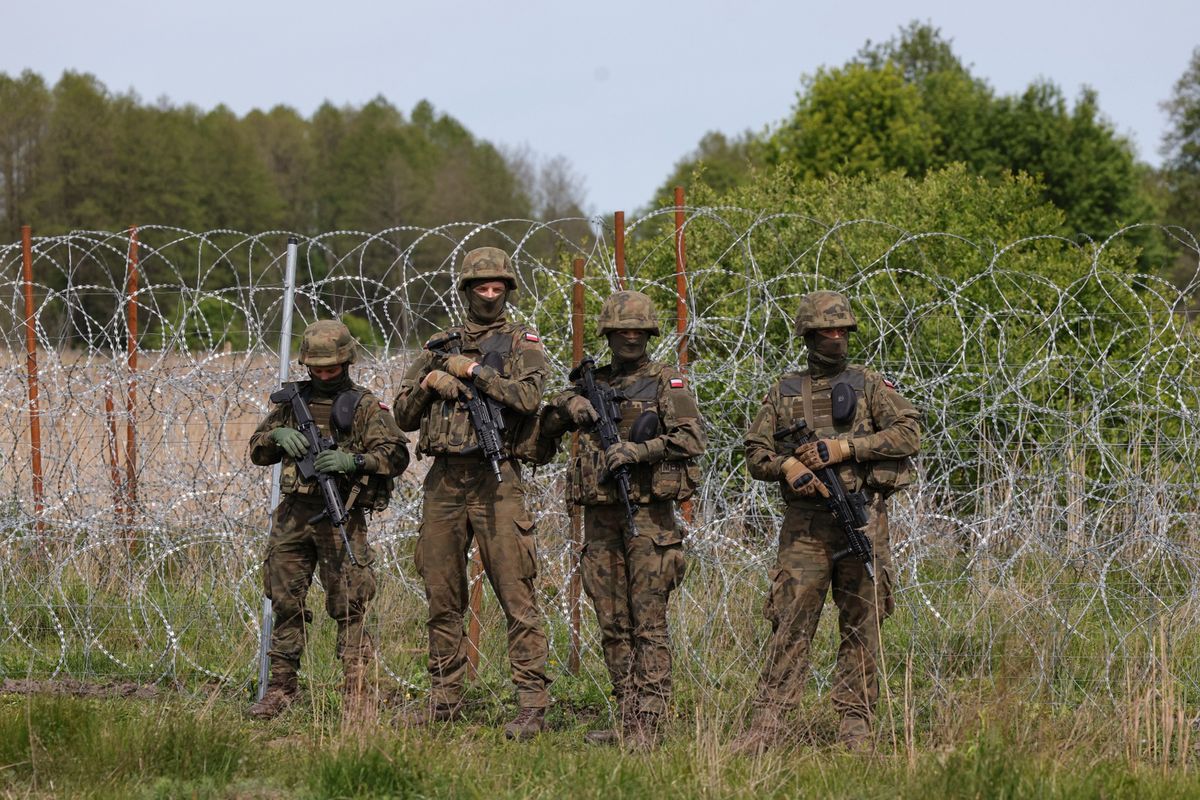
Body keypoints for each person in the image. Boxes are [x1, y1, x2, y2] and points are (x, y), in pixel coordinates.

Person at [732, 290, 920, 754]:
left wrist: (846, 449)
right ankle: (769, 726)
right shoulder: (784, 390)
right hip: (806, 528)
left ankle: (856, 727)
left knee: (862, 624)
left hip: (862, 521)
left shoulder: (870, 384)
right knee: (791, 622)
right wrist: (788, 468)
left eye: (842, 331)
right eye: (827, 332)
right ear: (809, 336)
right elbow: (755, 453)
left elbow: (910, 433)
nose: (836, 339)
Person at [392, 246, 552, 740]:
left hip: (496, 479)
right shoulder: (439, 344)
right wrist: (432, 381)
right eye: (480, 286)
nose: (489, 293)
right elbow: (401, 415)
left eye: (496, 286)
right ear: (466, 290)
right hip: (444, 481)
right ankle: (444, 699)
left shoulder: (522, 343)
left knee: (515, 593)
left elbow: (529, 398)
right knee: (442, 595)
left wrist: (474, 372)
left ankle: (531, 705)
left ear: (507, 289)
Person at [540, 290, 706, 749]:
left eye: (637, 331)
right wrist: (565, 407)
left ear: (648, 334)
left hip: (649, 518)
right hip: (601, 518)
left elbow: (691, 438)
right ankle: (628, 715)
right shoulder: (590, 385)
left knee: (648, 621)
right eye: (621, 331)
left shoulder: (664, 383)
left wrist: (638, 450)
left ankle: (650, 722)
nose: (629, 338)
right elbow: (543, 433)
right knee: (612, 620)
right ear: (609, 335)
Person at [248, 319, 409, 721]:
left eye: (331, 368)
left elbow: (398, 456)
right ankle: (281, 689)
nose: (323, 375)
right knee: (285, 600)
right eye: (316, 369)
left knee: (350, 605)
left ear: (346, 362)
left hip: (342, 515)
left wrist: (354, 460)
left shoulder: (364, 405)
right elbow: (257, 449)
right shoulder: (291, 403)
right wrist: (276, 437)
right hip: (294, 515)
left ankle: (356, 691)